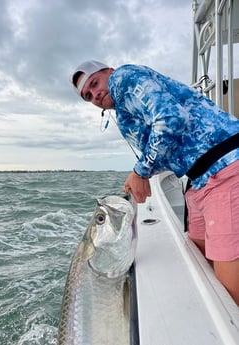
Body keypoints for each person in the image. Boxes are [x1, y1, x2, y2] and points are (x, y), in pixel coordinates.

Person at [70, 60, 239, 305]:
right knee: (199, 258)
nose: (95, 94)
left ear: (110, 72)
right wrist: (140, 176)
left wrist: (141, 171)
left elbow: (171, 118)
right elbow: (168, 154)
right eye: (88, 96)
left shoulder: (124, 78)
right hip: (200, 180)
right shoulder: (123, 110)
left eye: (95, 83)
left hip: (225, 166)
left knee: (229, 290)